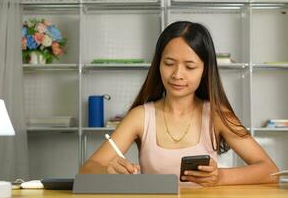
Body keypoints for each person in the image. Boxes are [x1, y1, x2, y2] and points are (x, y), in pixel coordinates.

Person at [80, 21, 279, 187]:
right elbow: (87, 169)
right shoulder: (140, 116)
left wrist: (220, 177)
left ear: (205, 70)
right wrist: (107, 170)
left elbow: (270, 171)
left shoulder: (217, 115)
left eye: (190, 66)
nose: (177, 75)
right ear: (158, 64)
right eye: (168, 63)